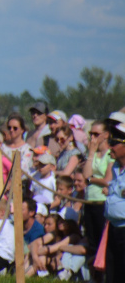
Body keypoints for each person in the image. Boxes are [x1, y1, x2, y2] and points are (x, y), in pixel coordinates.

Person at [82, 119, 111, 275]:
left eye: (96, 134)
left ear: (105, 135)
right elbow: (85, 174)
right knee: (91, 239)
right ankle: (93, 275)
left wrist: (91, 179)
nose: (92, 137)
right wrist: (91, 153)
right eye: (90, 134)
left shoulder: (109, 155)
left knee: (102, 241)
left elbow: (107, 180)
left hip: (102, 202)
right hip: (89, 200)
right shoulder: (91, 153)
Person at [102, 118, 125, 282]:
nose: (110, 147)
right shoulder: (115, 168)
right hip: (113, 227)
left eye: (114, 143)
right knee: (113, 273)